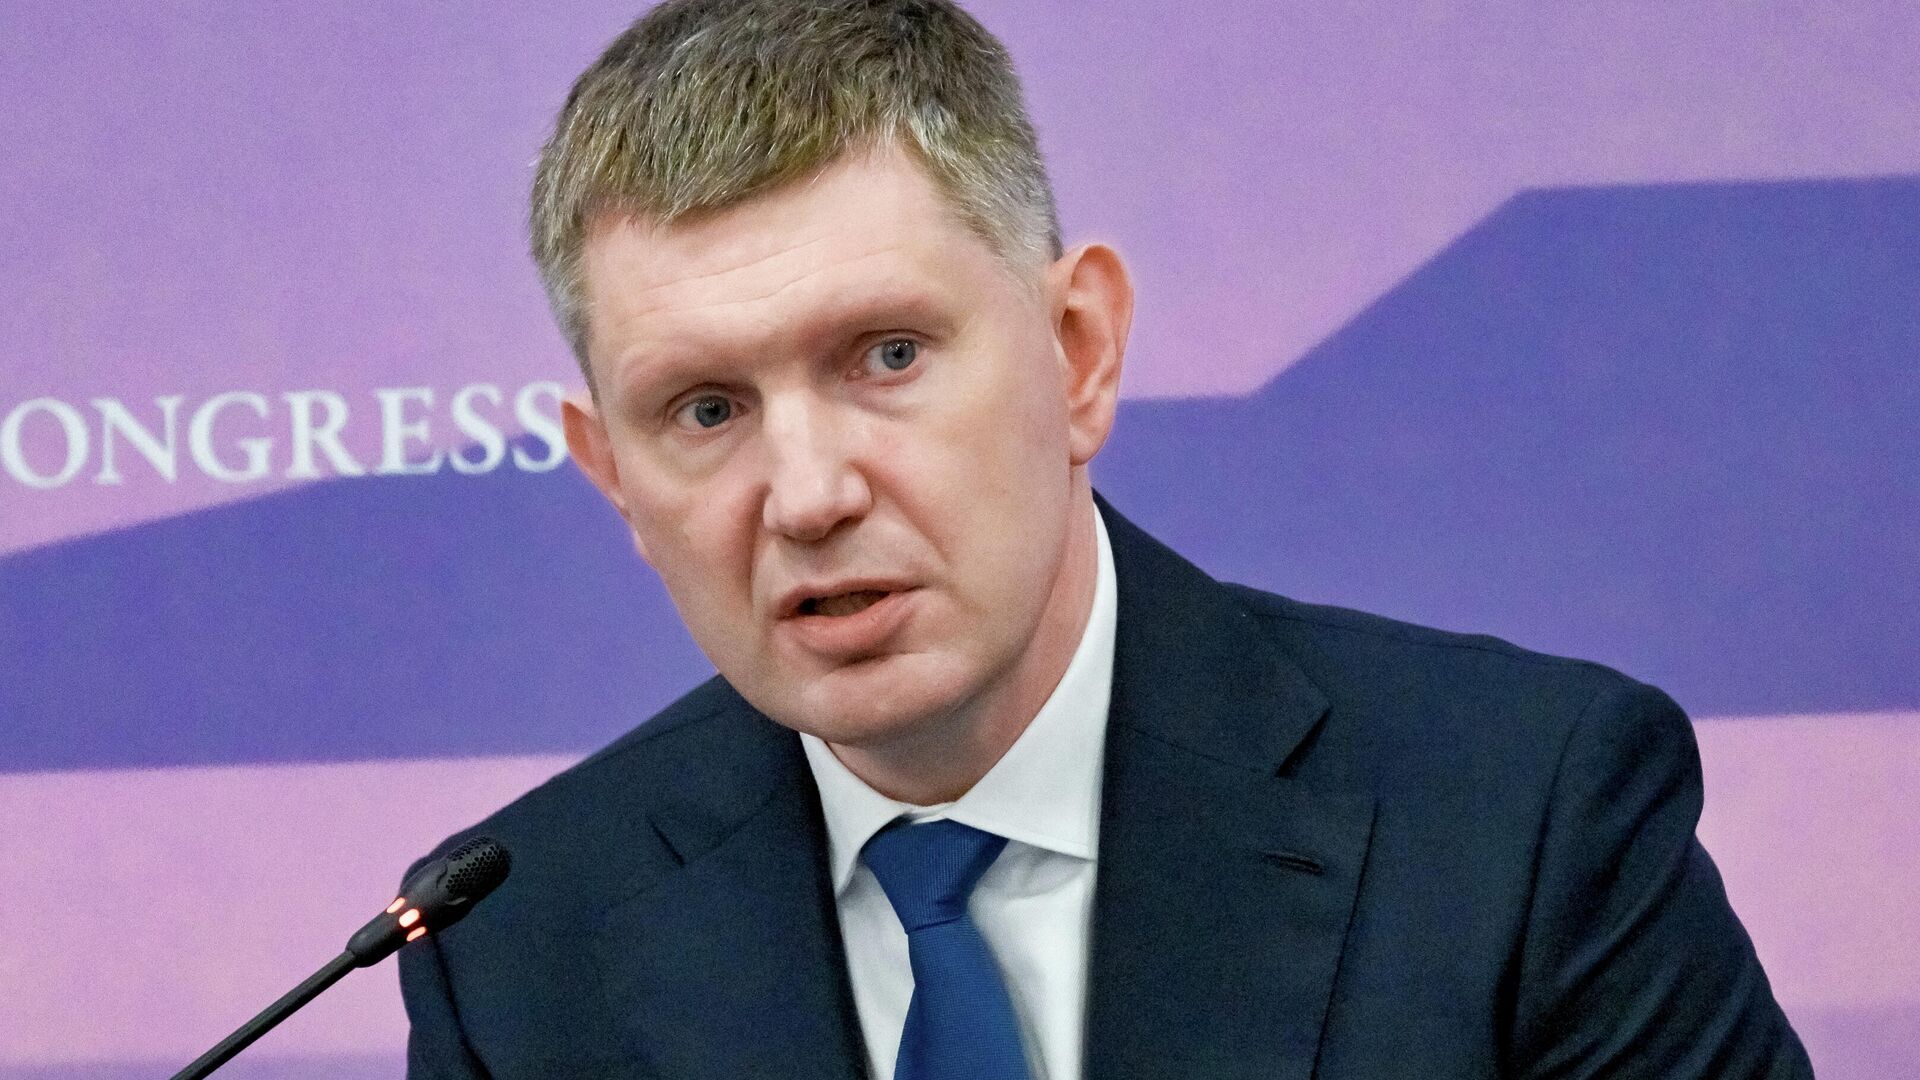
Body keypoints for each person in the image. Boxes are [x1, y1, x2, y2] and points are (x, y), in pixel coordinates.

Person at [400, 1, 1813, 1077]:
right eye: (706, 410)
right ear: (614, 478)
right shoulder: (514, 953)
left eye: (888, 355)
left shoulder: (1522, 820)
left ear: (1078, 352)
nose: (810, 493)